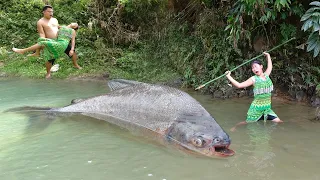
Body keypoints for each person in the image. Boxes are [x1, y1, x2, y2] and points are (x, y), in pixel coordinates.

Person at [225, 52, 283, 131]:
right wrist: (229, 76)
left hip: (267, 108)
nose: (254, 69)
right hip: (256, 109)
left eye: (255, 67)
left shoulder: (266, 75)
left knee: (279, 122)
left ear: (261, 66)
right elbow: (239, 85)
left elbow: (270, 66)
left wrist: (268, 56)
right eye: (252, 68)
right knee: (247, 123)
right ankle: (236, 126)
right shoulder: (253, 79)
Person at [23, 5, 81, 78]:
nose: (51, 13)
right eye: (49, 11)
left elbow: (59, 27)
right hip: (51, 42)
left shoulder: (55, 19)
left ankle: (76, 65)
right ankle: (48, 73)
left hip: (60, 41)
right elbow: (41, 33)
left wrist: (69, 26)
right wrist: (44, 41)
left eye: (52, 11)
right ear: (44, 12)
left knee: (73, 52)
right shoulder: (40, 22)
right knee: (49, 59)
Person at [12, 23, 79, 78]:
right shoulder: (62, 28)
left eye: (76, 24)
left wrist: (72, 50)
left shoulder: (72, 31)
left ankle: (23, 51)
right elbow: (56, 36)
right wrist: (50, 42)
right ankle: (37, 55)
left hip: (63, 44)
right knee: (41, 40)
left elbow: (73, 41)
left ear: (75, 28)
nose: (75, 23)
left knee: (42, 43)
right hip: (57, 42)